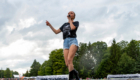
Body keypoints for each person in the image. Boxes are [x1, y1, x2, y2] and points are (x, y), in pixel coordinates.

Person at [46, 11, 79, 80]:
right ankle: (75, 73)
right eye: (68, 13)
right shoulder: (64, 24)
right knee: (67, 64)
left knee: (70, 60)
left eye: (71, 13)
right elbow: (56, 32)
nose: (69, 14)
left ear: (74, 16)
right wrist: (50, 25)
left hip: (73, 40)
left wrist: (70, 20)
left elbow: (72, 28)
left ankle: (70, 78)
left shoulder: (76, 23)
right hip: (65, 42)